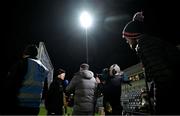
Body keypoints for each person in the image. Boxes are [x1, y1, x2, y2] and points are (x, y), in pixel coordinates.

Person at [122, 11, 180, 115]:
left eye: (126, 38)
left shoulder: (144, 45)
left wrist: (159, 102)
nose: (127, 42)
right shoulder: (148, 41)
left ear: (132, 35)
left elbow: (162, 74)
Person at [3, 44, 49, 115]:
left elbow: (10, 85)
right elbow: (45, 90)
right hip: (35, 108)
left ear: (25, 53)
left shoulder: (23, 63)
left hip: (20, 106)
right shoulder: (44, 68)